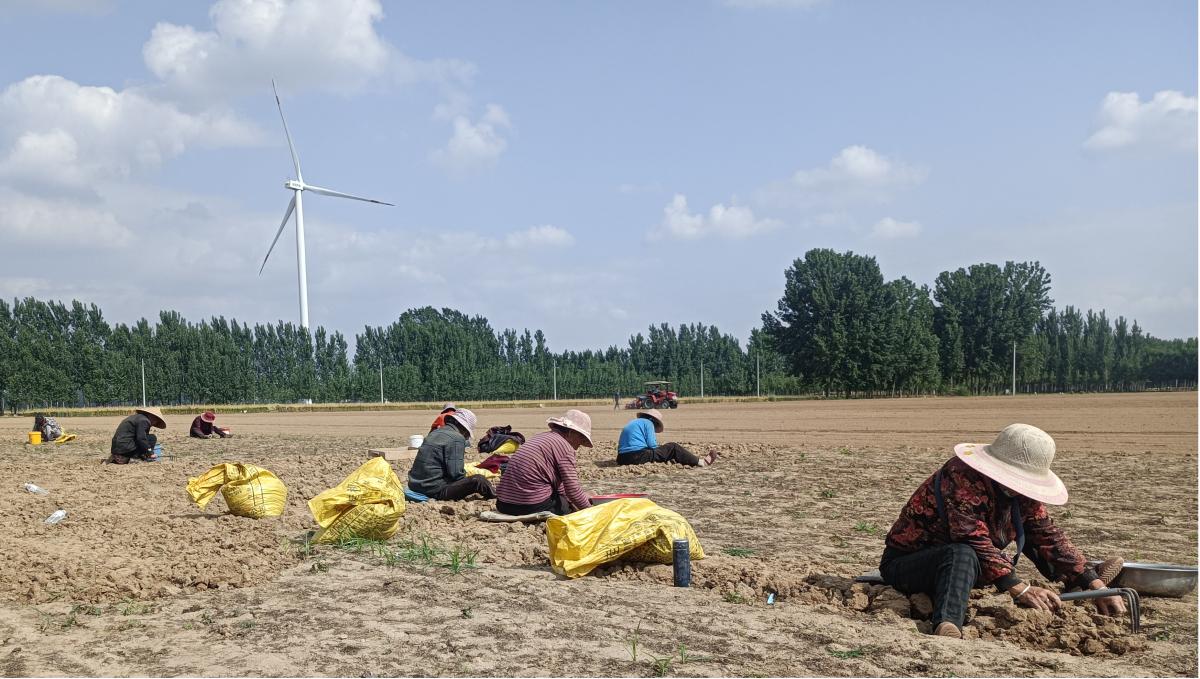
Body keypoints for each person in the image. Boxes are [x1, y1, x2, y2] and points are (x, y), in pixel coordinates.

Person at [879, 423, 1126, 639]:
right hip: (910, 563)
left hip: (969, 566)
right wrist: (1019, 588)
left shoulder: (1021, 495)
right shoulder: (960, 477)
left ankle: (1076, 581)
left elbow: (1046, 532)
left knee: (1029, 530)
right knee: (960, 553)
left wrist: (1094, 583)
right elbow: (971, 537)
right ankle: (947, 622)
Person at [495, 409, 594, 516]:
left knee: (565, 498)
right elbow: (572, 490)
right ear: (571, 433)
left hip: (503, 504)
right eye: (581, 439)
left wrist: (581, 497)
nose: (580, 444)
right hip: (527, 505)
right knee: (565, 506)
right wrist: (591, 511)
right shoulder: (566, 448)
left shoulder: (540, 437)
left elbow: (560, 486)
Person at [408, 408, 495, 501]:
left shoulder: (435, 433)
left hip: (414, 485)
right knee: (478, 480)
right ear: (464, 429)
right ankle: (496, 496)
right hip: (433, 490)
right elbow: (456, 474)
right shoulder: (457, 438)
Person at [617, 410, 716, 467]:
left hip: (621, 458)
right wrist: (664, 451)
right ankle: (702, 462)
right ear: (654, 421)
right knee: (673, 447)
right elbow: (652, 445)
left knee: (659, 452)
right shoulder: (648, 423)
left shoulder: (635, 422)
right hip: (636, 457)